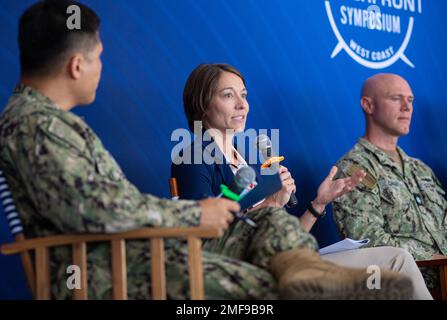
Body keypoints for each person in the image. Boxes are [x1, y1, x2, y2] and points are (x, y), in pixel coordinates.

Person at [0, 0, 289, 300]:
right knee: (271, 287)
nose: (101, 67)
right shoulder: (38, 125)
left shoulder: (42, 121)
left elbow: (105, 205)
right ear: (76, 65)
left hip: (132, 259)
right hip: (108, 274)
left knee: (278, 238)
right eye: (98, 57)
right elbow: (100, 210)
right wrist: (194, 213)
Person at [171, 63, 431, 299]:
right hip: (242, 271)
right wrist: (270, 202)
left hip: (285, 261)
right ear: (203, 104)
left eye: (244, 95)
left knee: (398, 259)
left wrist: (318, 203)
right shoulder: (193, 155)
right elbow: (204, 235)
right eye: (228, 95)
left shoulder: (248, 160)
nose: (242, 105)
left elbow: (280, 236)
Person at [332, 73, 447, 290]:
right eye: (396, 98)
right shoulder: (355, 168)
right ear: (368, 105)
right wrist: (437, 258)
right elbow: (366, 239)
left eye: (411, 100)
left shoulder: (420, 168)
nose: (407, 107)